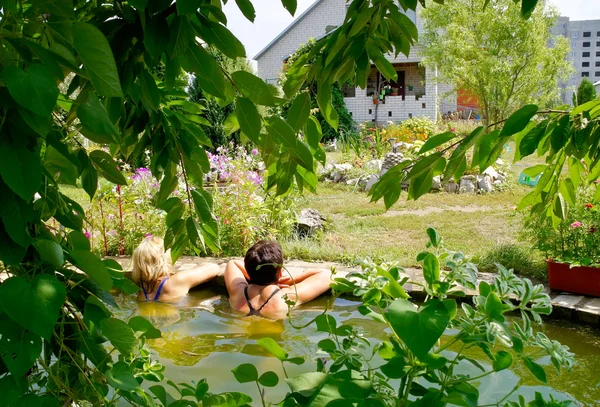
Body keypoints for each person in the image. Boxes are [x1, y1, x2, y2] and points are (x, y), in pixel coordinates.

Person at [225, 240, 332, 319]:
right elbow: (328, 275)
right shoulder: (287, 296)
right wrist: (290, 280)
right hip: (272, 340)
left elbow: (232, 263)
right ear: (280, 272)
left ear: (248, 271)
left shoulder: (238, 292)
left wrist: (257, 276)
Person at [131, 236, 220, 303]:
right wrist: (198, 267)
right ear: (165, 259)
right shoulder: (175, 282)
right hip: (171, 324)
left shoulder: (141, 286)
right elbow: (214, 268)